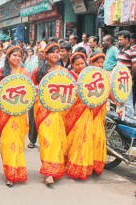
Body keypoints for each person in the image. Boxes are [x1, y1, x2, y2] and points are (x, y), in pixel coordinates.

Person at [31, 43, 67, 185]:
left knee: (57, 139)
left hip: (58, 110)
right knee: (46, 140)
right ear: (45, 55)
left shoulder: (63, 71)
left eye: (58, 52)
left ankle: (53, 170)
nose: (55, 54)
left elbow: (70, 89)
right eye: (52, 52)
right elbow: (30, 88)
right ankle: (48, 171)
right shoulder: (38, 71)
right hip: (43, 109)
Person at [0, 46, 30, 187]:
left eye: (19, 56)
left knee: (18, 143)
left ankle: (18, 171)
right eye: (14, 55)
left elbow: (29, 92)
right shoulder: (1, 73)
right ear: (8, 57)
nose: (17, 58)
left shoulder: (25, 73)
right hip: (5, 114)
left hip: (20, 113)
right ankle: (9, 173)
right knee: (8, 143)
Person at [64, 52, 94, 180]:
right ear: (72, 65)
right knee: (72, 138)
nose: (80, 66)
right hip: (71, 111)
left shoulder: (88, 75)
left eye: (82, 63)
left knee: (84, 138)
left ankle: (80, 166)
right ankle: (69, 162)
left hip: (86, 111)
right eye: (77, 64)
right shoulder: (69, 76)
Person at [88, 50, 107, 175]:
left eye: (102, 62)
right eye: (97, 62)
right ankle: (87, 163)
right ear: (91, 62)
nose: (100, 65)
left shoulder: (105, 75)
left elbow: (109, 91)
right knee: (88, 136)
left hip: (100, 110)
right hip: (88, 110)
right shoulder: (87, 75)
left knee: (98, 136)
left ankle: (96, 163)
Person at [117, 30, 136, 117]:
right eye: (119, 39)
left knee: (128, 103)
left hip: (126, 81)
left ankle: (130, 122)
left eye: (121, 39)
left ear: (127, 39)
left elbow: (134, 66)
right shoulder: (120, 50)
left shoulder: (132, 52)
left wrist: (131, 77)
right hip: (119, 80)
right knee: (121, 101)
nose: (119, 41)